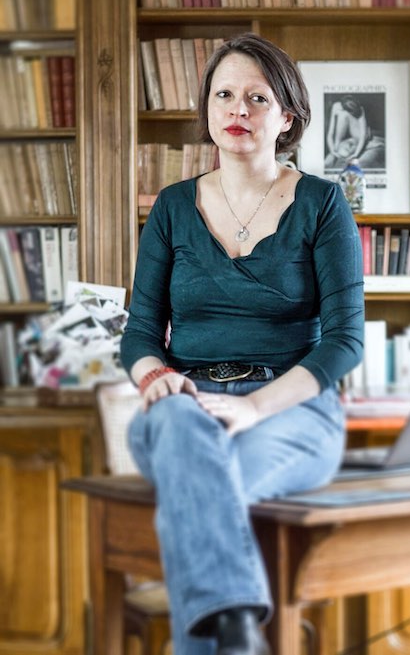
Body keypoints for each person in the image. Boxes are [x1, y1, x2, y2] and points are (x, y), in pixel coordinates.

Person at [120, 32, 364, 655]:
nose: (238, 110)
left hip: (292, 412)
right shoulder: (172, 208)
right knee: (182, 431)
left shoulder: (323, 204)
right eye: (224, 95)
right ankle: (236, 630)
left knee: (204, 487)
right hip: (187, 406)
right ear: (207, 110)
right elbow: (142, 335)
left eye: (257, 97)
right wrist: (157, 378)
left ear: (287, 116)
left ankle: (221, 636)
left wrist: (254, 407)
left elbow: (344, 341)